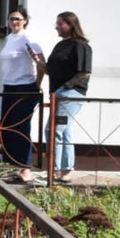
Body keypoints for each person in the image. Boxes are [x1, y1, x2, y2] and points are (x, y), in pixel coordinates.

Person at [31, 11, 92, 183]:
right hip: (58, 93)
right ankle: (64, 170)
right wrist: (36, 60)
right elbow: (50, 70)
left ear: (70, 25)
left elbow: (84, 72)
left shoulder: (80, 46)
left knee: (53, 130)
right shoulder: (61, 45)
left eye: (60, 24)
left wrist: (65, 88)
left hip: (70, 94)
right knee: (64, 131)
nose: (56, 27)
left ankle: (55, 170)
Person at [0, 6, 45, 183]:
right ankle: (14, 166)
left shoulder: (28, 37)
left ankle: (25, 168)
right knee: (8, 127)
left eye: (18, 19)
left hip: (25, 86)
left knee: (21, 127)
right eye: (11, 19)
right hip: (9, 86)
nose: (14, 22)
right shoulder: (10, 37)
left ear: (25, 20)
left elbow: (41, 63)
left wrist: (37, 84)